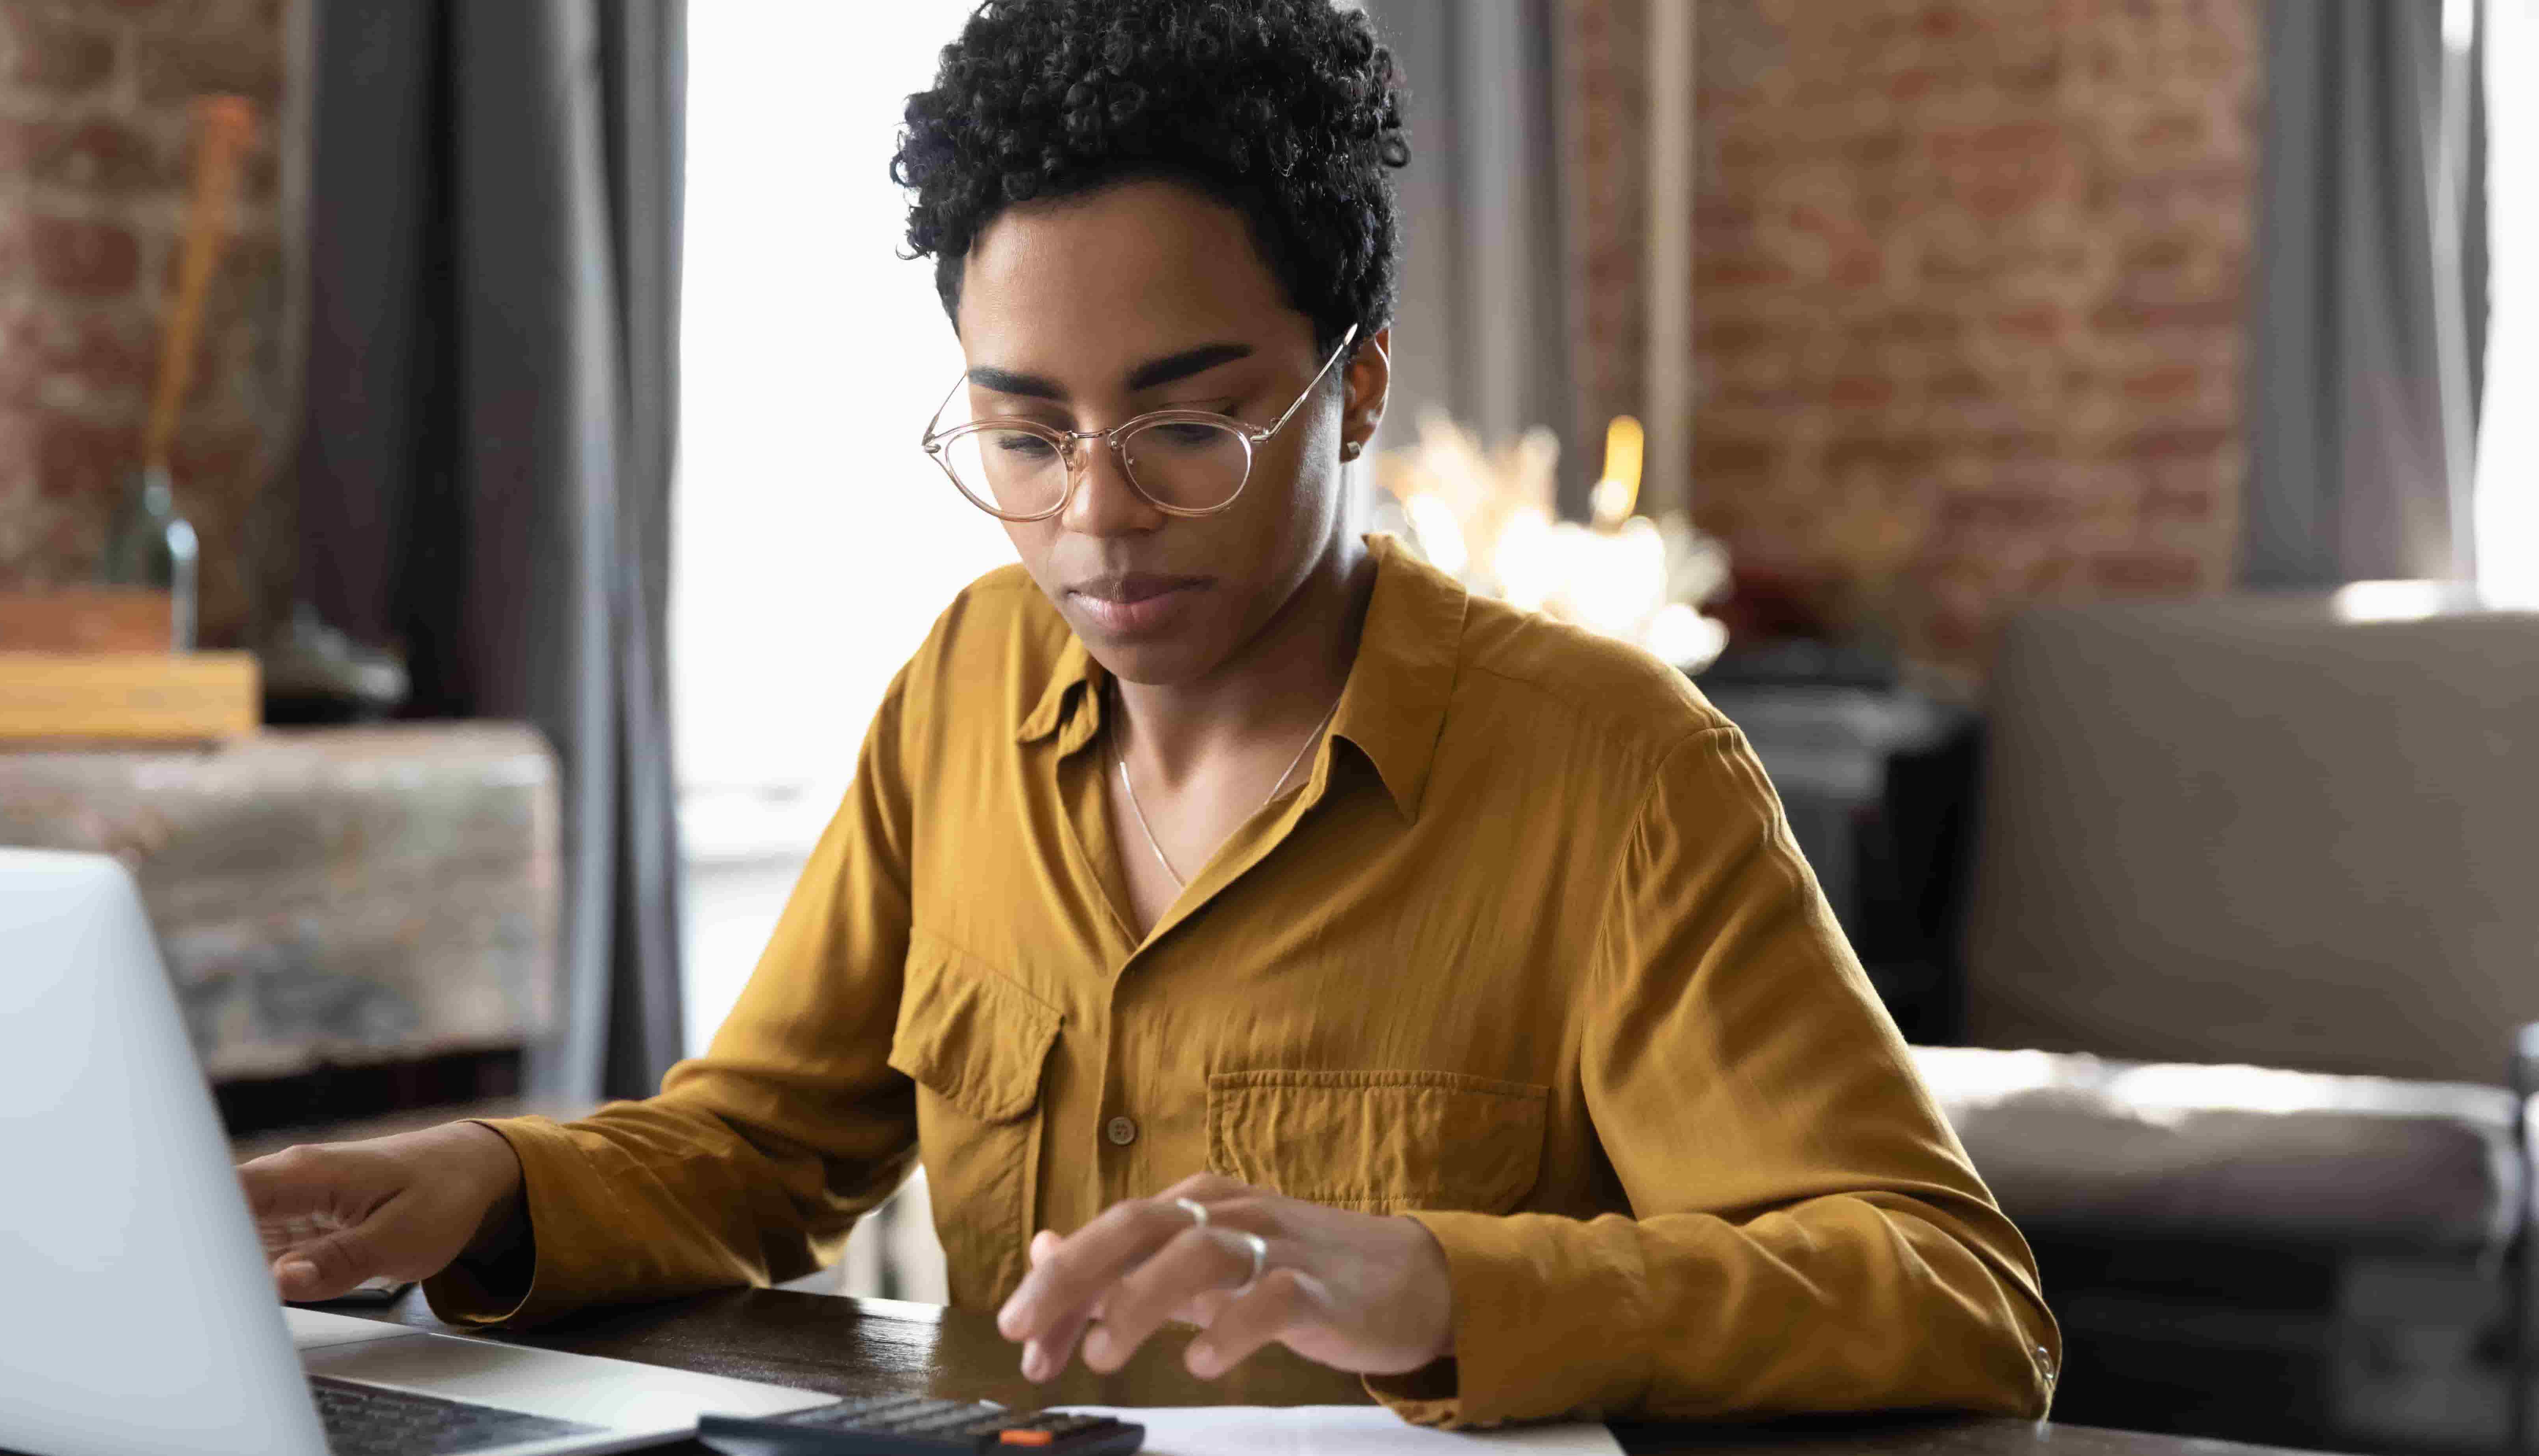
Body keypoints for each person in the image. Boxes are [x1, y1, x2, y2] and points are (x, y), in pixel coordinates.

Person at [238, 0, 2058, 1427]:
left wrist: (1446, 1285)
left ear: (1355, 396)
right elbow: (759, 1152)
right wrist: (475, 1177)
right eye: (1023, 435)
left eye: (1187, 425)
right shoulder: (963, 685)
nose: (1094, 518)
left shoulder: (1617, 775)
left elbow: (1950, 1294)